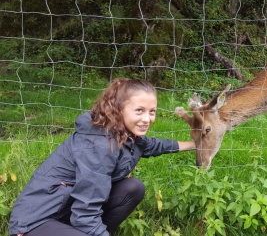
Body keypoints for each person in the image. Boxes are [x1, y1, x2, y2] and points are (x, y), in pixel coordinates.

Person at [9, 78, 196, 236]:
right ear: (119, 109)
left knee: (133, 188)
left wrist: (197, 146)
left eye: (152, 111)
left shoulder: (125, 133)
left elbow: (152, 145)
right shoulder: (100, 146)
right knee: (88, 221)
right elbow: (86, 210)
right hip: (35, 221)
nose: (147, 119)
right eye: (139, 110)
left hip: (66, 209)